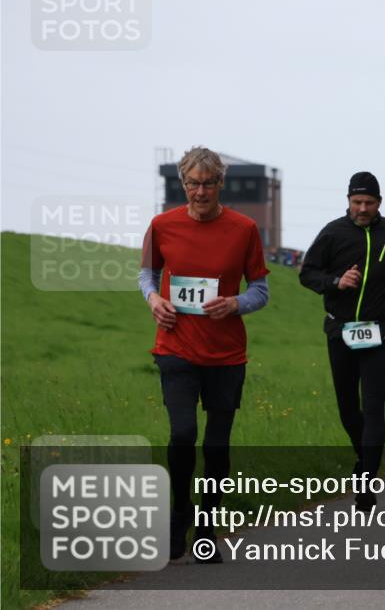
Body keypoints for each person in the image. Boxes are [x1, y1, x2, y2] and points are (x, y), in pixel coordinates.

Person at [140, 147, 270, 563]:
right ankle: (179, 516)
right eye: (192, 183)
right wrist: (153, 299)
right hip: (175, 346)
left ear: (220, 184)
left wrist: (236, 304)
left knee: (216, 445)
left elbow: (261, 290)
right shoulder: (162, 226)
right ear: (183, 184)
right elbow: (147, 273)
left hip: (226, 354)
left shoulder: (244, 228)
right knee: (181, 435)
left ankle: (207, 527)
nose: (200, 191)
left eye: (208, 183)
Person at [299, 172, 385, 510]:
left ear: (379, 203)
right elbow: (307, 273)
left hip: (380, 332)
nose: (363, 208)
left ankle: (367, 481)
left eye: (369, 202)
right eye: (357, 202)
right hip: (341, 332)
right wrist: (336, 281)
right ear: (348, 201)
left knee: (374, 407)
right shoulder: (333, 232)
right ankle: (362, 458)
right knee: (348, 410)